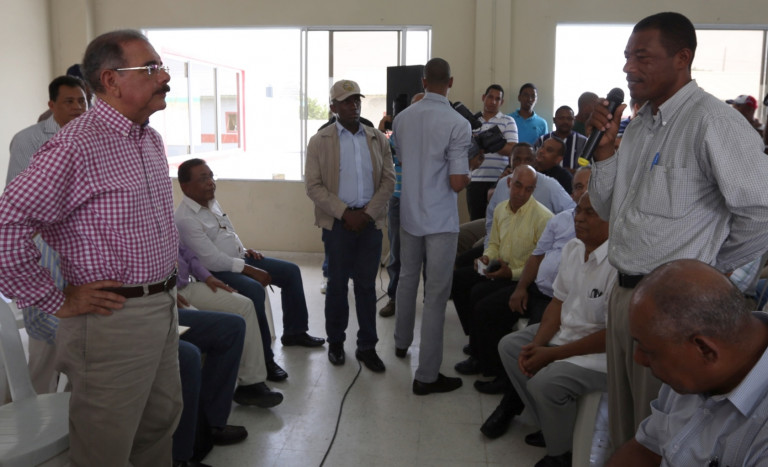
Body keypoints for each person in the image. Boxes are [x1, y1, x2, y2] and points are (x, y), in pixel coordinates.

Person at [588, 11, 768, 452]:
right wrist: (606, 154)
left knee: (663, 439)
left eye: (642, 57)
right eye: (627, 57)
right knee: (628, 424)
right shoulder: (639, 125)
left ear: (682, 58)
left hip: (675, 313)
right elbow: (609, 209)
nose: (629, 68)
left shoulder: (713, 122)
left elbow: (762, 211)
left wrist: (706, 273)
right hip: (624, 295)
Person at [0, 30, 181, 465]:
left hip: (162, 305)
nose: (165, 77)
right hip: (112, 319)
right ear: (111, 80)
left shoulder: (149, 140)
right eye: (151, 68)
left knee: (158, 427)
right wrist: (54, 299)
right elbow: (8, 223)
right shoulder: (76, 145)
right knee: (105, 447)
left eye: (161, 67)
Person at [484, 193, 615, 467]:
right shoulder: (573, 248)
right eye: (578, 210)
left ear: (612, 218)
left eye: (590, 213)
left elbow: (612, 336)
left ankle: (561, 455)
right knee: (511, 347)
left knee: (544, 383)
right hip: (566, 332)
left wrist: (552, 354)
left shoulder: (618, 264)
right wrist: (538, 344)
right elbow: (557, 303)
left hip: (599, 353)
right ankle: (551, 427)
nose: (579, 218)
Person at [175, 159, 325, 382]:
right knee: (254, 290)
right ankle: (265, 359)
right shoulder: (185, 218)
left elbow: (227, 234)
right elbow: (211, 259)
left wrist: (244, 250)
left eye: (211, 176)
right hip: (216, 271)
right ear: (185, 186)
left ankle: (295, 332)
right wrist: (249, 269)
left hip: (238, 259)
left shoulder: (211, 202)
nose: (211, 183)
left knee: (290, 271)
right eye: (203, 178)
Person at [607, 259, 768, 466]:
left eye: (649, 351)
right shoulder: (692, 370)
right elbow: (646, 450)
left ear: (705, 349)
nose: (639, 359)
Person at [392, 58, 473, 395]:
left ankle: (401, 342)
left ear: (424, 81)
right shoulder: (458, 123)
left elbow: (402, 160)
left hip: (410, 213)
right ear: (450, 82)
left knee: (407, 278)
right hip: (440, 220)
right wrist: (471, 167)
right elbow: (456, 182)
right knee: (436, 296)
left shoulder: (402, 119)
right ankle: (426, 376)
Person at [475, 165, 592, 396]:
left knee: (530, 341)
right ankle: (493, 369)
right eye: (579, 187)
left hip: (560, 301)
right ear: (572, 194)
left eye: (589, 186)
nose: (584, 192)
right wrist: (521, 288)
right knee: (486, 308)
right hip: (537, 288)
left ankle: (513, 396)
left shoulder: (601, 225)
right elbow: (536, 257)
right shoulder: (560, 220)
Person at [305, 79, 395, 371]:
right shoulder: (320, 141)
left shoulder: (377, 139)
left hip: (369, 224)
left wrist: (366, 215)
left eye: (356, 99)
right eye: (346, 101)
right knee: (337, 285)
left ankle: (367, 346)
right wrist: (345, 213)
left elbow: (388, 180)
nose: (353, 105)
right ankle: (336, 342)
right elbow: (313, 186)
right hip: (338, 226)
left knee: (367, 287)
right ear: (333, 107)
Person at [451, 165, 552, 377]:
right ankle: (476, 339)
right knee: (459, 279)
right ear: (508, 183)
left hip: (524, 279)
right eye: (518, 186)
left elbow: (541, 266)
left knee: (481, 298)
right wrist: (487, 257)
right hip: (502, 267)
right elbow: (494, 244)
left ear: (533, 190)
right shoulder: (500, 209)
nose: (521, 193)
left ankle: (487, 365)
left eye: (528, 189)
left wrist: (511, 274)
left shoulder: (543, 218)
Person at [177, 244, 283, 406]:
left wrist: (207, 277)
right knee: (207, 325)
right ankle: (204, 402)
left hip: (187, 285)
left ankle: (251, 384)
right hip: (164, 294)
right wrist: (163, 291)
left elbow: (187, 254)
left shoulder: (168, 227)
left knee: (245, 306)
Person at [174, 309, 248, 467]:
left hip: (163, 308)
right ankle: (179, 458)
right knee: (188, 356)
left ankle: (210, 424)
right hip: (133, 320)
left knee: (233, 327)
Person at [379, 92, 425, 318]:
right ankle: (394, 298)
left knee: (429, 253)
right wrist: (382, 130)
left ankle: (429, 300)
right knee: (396, 252)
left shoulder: (435, 135)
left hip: (426, 200)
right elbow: (381, 155)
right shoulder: (397, 134)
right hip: (398, 198)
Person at [7, 75, 87, 184]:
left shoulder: (94, 134)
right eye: (69, 101)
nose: (78, 107)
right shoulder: (27, 139)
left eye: (82, 101)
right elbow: (17, 188)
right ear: (52, 105)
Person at [466, 84, 519, 220]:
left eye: (497, 99)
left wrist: (485, 143)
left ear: (502, 102)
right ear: (483, 97)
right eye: (490, 97)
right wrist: (492, 142)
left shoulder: (508, 121)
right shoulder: (471, 121)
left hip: (500, 180)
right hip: (475, 179)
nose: (493, 101)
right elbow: (465, 149)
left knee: (500, 221)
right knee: (476, 221)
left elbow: (513, 149)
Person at [533, 105, 587, 172]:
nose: (565, 121)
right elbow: (534, 164)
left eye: (569, 118)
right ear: (554, 120)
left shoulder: (583, 142)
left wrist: (573, 172)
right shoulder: (542, 140)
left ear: (574, 120)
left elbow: (589, 168)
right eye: (561, 118)